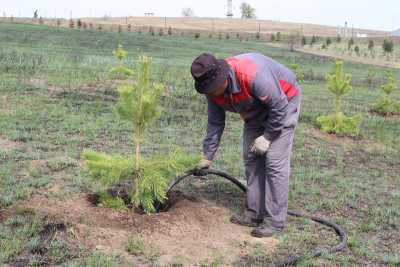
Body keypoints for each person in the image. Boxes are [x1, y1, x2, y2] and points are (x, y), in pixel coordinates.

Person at [190, 52, 302, 237]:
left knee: (274, 162)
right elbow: (215, 123)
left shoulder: (252, 75)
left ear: (223, 77)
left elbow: (279, 106)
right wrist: (207, 156)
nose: (212, 93)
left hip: (284, 101)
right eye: (208, 90)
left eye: (214, 88)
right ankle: (254, 213)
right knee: (251, 157)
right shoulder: (211, 91)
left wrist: (267, 137)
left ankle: (274, 222)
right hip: (254, 110)